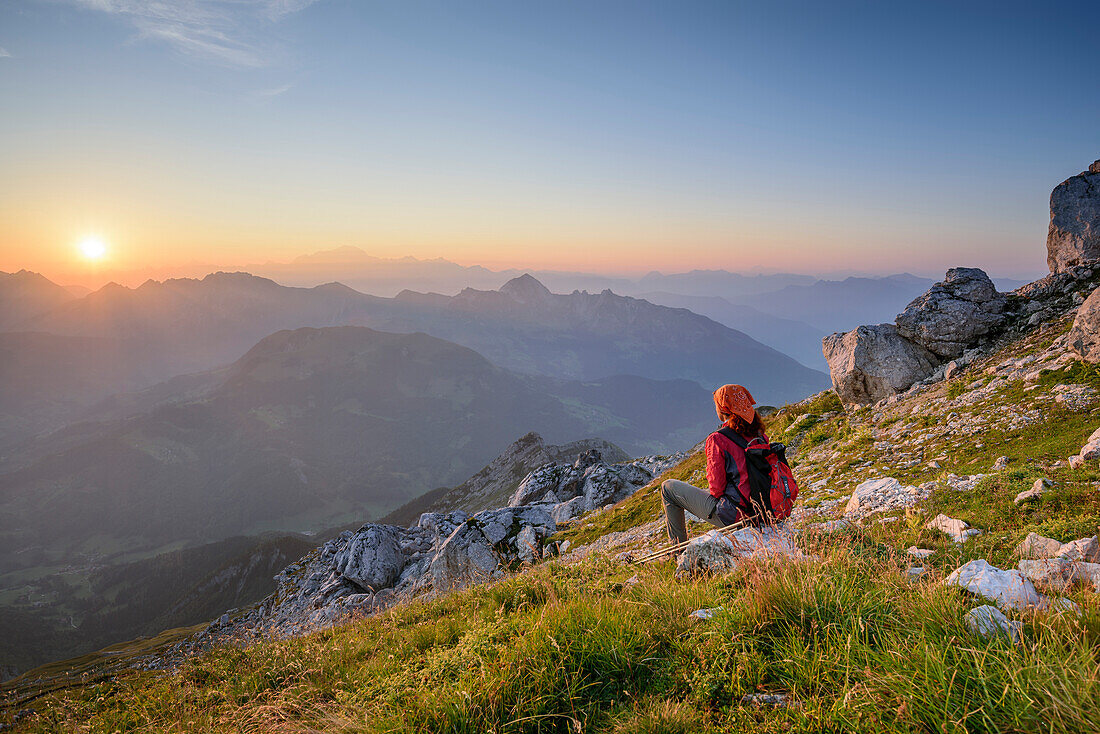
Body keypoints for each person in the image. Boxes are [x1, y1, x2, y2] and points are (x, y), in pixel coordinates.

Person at [660, 383, 767, 545]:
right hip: (765, 510)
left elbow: (716, 489)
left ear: (722, 408)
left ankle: (679, 551)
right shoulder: (760, 436)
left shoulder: (718, 439)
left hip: (737, 514)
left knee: (668, 488)